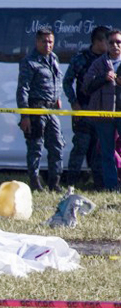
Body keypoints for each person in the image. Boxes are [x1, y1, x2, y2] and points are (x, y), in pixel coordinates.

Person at [17, 27, 64, 192]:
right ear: (37, 42)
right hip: (36, 109)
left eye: (50, 41)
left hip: (51, 110)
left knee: (57, 145)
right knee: (35, 146)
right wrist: (25, 115)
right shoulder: (29, 62)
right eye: (44, 41)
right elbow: (23, 89)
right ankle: (35, 182)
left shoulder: (54, 58)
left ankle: (54, 182)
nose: (48, 45)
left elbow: (56, 80)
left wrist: (56, 97)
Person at [63, 26, 108, 189]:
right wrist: (74, 102)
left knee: (99, 149)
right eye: (107, 41)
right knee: (80, 147)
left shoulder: (108, 59)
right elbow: (67, 81)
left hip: (102, 112)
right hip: (83, 109)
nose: (111, 45)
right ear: (98, 41)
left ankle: (99, 184)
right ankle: (71, 184)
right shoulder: (80, 58)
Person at [84, 28, 121, 192]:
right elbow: (86, 86)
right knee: (107, 153)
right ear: (105, 44)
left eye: (118, 42)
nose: (115, 45)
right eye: (111, 42)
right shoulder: (98, 64)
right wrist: (104, 78)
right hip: (105, 116)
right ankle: (112, 186)